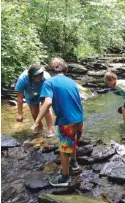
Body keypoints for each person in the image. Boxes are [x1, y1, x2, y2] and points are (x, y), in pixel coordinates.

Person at [30, 58, 84, 187]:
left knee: (64, 149)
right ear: (65, 68)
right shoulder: (71, 82)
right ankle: (74, 164)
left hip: (66, 120)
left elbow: (47, 102)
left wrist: (36, 122)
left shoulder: (49, 83)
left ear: (50, 69)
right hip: (79, 118)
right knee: (73, 141)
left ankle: (65, 177)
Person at [15, 65, 54, 137]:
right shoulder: (23, 79)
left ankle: (50, 130)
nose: (40, 77)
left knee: (46, 110)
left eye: (41, 74)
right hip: (30, 93)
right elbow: (20, 98)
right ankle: (40, 128)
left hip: (43, 92)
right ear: (31, 76)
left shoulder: (46, 77)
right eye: (37, 76)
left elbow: (50, 98)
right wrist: (20, 113)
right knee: (34, 111)